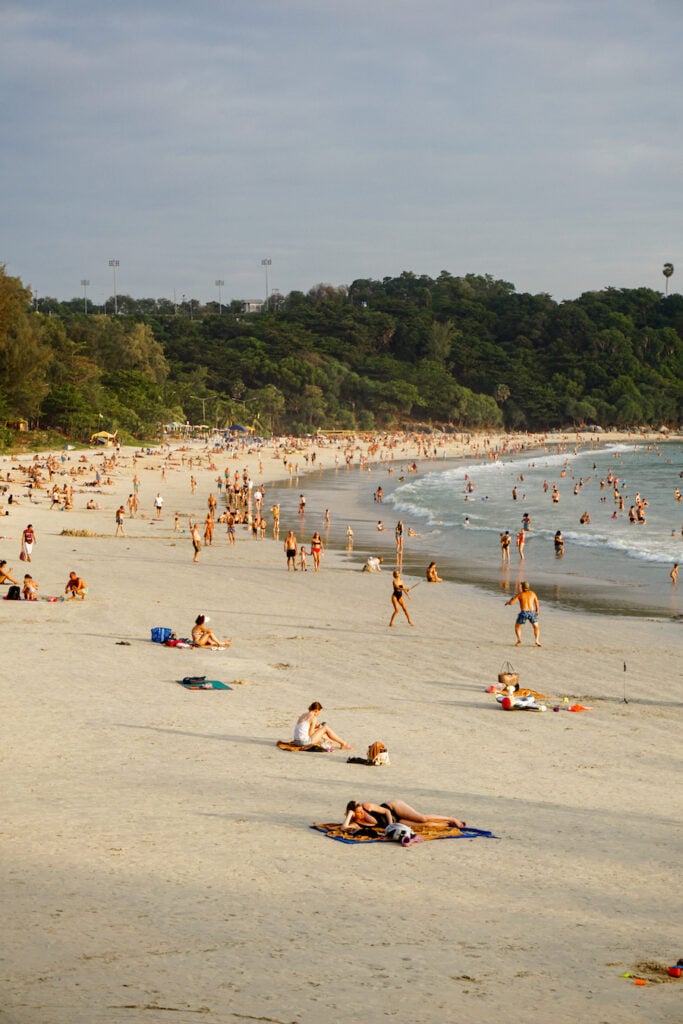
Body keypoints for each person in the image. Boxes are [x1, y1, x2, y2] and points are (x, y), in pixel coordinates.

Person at [342, 800, 466, 833]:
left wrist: (390, 826)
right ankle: (448, 825)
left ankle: (451, 818)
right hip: (397, 822)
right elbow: (344, 828)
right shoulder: (356, 823)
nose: (361, 812)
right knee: (425, 826)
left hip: (394, 808)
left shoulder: (367, 806)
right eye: (358, 812)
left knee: (422, 818)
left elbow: (386, 812)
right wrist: (350, 816)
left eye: (360, 810)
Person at [505, 581, 541, 647]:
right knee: (536, 627)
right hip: (532, 612)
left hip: (524, 612)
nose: (519, 587)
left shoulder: (520, 594)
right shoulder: (533, 593)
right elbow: (536, 603)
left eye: (520, 586)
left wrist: (508, 602)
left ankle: (519, 639)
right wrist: (537, 610)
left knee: (517, 627)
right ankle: (537, 640)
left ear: (522, 587)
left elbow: (511, 603)